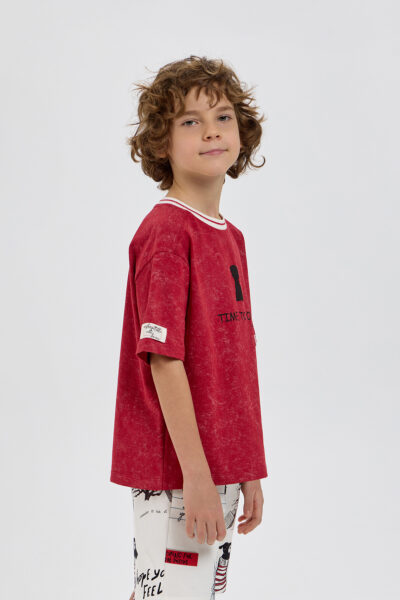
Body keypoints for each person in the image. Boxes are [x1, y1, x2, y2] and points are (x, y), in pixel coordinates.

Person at [110, 55, 269, 600]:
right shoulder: (168, 233)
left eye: (222, 117)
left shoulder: (229, 237)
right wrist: (195, 476)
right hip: (177, 473)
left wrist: (248, 466)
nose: (211, 132)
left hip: (217, 468)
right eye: (190, 121)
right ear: (161, 142)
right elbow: (163, 359)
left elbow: (234, 362)